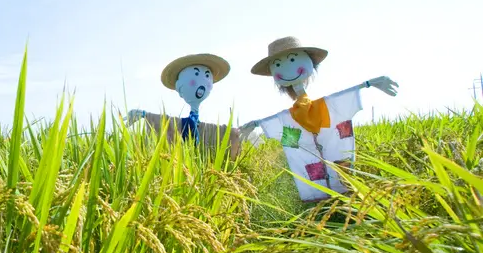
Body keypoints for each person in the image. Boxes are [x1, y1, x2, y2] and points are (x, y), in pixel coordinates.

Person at [238, 36, 398, 202]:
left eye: (293, 60)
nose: (286, 68)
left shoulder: (333, 106)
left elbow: (349, 95)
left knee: (336, 164)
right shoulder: (287, 120)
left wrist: (369, 83)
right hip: (312, 191)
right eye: (277, 65)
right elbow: (284, 135)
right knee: (296, 145)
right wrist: (256, 125)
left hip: (344, 181)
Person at [127, 53, 244, 156]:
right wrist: (144, 115)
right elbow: (163, 123)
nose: (203, 81)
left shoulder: (213, 130)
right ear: (179, 87)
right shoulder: (178, 123)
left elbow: (231, 136)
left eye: (207, 76)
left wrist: (237, 133)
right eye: (196, 75)